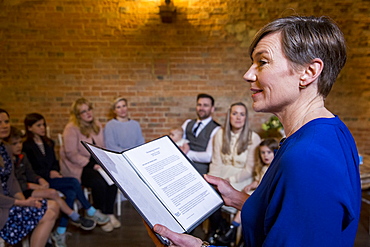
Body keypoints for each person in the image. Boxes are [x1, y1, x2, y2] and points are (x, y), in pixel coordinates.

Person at [152, 15, 361, 247]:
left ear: (309, 72)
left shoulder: (307, 157)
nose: (248, 75)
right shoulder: (331, 131)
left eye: (262, 62)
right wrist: (240, 199)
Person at [23, 113, 109, 246]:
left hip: (52, 178)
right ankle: (89, 210)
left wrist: (55, 171)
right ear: (29, 128)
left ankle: (60, 231)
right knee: (73, 183)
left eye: (44, 124)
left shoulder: (48, 143)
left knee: (71, 193)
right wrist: (47, 173)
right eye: (38, 125)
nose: (43, 128)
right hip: (39, 181)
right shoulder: (26, 146)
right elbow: (30, 170)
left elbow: (54, 162)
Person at [5, 126, 97, 229]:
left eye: (20, 142)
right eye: (14, 144)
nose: (19, 146)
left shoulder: (23, 155)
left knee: (69, 191)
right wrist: (31, 184)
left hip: (33, 185)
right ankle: (79, 214)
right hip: (20, 191)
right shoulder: (8, 159)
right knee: (62, 188)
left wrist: (39, 179)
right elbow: (12, 182)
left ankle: (64, 227)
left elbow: (31, 173)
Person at [0, 108, 59, 247]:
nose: (4, 125)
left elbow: (12, 180)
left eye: (6, 121)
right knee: (48, 213)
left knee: (54, 205)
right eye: (0, 122)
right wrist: (23, 203)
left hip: (11, 202)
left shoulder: (5, 149)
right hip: (3, 208)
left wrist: (25, 199)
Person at [59, 98, 120, 233]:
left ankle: (109, 212)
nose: (88, 113)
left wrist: (104, 162)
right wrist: (92, 165)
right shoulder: (71, 128)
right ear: (78, 115)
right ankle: (100, 215)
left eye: (89, 109)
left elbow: (101, 147)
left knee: (113, 179)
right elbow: (71, 154)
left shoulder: (97, 124)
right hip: (78, 166)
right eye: (83, 111)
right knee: (99, 183)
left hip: (95, 162)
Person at [206, 102, 261, 244]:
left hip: (241, 178)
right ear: (229, 116)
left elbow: (249, 169)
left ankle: (226, 233)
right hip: (222, 173)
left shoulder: (253, 137)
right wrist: (213, 180)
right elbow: (216, 162)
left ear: (246, 117)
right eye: (234, 113)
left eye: (242, 114)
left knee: (224, 195)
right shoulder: (219, 134)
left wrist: (227, 180)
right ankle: (217, 230)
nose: (238, 117)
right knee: (210, 195)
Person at [216, 138, 278, 245]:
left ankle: (232, 229)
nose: (265, 156)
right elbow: (258, 180)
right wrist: (251, 185)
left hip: (266, 194)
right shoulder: (263, 167)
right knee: (246, 199)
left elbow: (268, 184)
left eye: (269, 152)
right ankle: (234, 231)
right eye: (263, 152)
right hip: (259, 192)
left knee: (248, 203)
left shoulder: (274, 168)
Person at [181, 93, 220, 175]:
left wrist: (186, 153)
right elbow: (177, 142)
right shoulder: (188, 123)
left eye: (205, 105)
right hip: (182, 166)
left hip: (201, 171)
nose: (201, 108)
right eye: (199, 105)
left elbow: (209, 156)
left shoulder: (217, 129)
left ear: (212, 109)